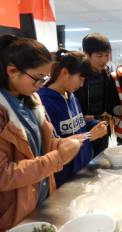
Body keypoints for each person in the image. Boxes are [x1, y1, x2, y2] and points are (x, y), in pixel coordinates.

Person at [0, 34, 81, 231]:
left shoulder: (30, 100)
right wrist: (56, 158)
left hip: (40, 201)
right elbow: (3, 176)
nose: (42, 85)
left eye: (44, 78)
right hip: (14, 213)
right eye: (37, 79)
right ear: (12, 71)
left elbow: (37, 146)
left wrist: (59, 145)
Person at [38, 49, 108, 187]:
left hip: (82, 168)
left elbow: (77, 125)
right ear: (64, 72)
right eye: (80, 79)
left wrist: (93, 125)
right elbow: (53, 144)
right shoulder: (44, 102)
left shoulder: (71, 95)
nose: (81, 84)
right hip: (63, 176)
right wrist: (89, 136)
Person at [74, 33, 112, 157]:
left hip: (102, 127)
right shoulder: (78, 76)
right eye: (99, 56)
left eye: (107, 55)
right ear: (86, 54)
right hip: (83, 130)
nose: (104, 60)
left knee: (101, 160)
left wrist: (108, 111)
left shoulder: (107, 74)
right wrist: (82, 117)